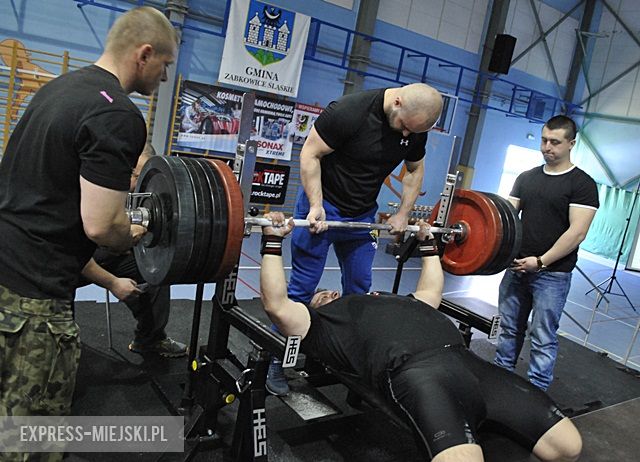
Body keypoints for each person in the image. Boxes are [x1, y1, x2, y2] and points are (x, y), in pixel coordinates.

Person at [258, 212, 582, 462]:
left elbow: (430, 290)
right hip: (418, 375)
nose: (326, 292)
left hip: (470, 364)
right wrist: (272, 241)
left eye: (326, 292)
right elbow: (277, 305)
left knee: (567, 446)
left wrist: (428, 244)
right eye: (319, 295)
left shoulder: (395, 299)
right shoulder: (321, 324)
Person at [0, 4, 177, 434]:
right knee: (31, 436)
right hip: (36, 301)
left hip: (7, 271)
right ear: (144, 54)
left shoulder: (60, 88)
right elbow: (102, 227)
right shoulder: (117, 113)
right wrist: (136, 231)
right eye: (165, 65)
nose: (165, 77)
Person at [268, 83, 444, 395]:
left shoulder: (414, 127)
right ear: (398, 102)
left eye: (412, 132)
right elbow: (310, 153)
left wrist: (403, 213)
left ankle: (351, 362)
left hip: (362, 216)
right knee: (299, 291)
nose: (405, 135)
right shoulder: (350, 111)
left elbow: (415, 170)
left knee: (360, 291)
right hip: (324, 207)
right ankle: (274, 362)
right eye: (403, 126)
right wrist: (316, 205)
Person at [494, 115, 599, 391]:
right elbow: (505, 218)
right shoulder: (526, 178)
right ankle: (499, 384)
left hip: (551, 274)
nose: (547, 147)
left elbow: (577, 233)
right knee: (508, 329)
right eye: (544, 140)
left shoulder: (582, 184)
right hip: (516, 268)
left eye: (555, 142)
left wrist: (540, 262)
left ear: (571, 143)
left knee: (542, 336)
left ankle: (537, 395)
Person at [80, 143, 187, 357]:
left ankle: (150, 339)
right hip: (69, 263)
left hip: (104, 254)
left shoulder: (142, 194)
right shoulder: (91, 189)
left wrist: (126, 244)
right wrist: (112, 283)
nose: (135, 183)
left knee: (157, 270)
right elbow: (72, 255)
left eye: (142, 176)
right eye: (132, 174)